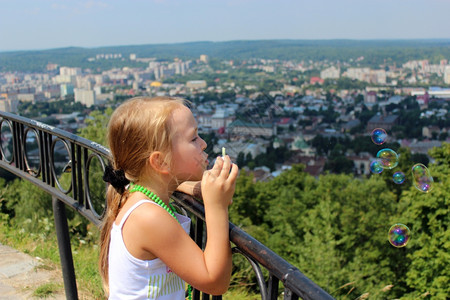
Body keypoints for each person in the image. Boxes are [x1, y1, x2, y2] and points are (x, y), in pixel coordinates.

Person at [99, 96, 238, 299]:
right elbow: (214, 282)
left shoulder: (138, 192)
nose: (204, 144)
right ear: (161, 161)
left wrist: (199, 189)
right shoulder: (149, 217)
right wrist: (217, 206)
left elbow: (169, 182)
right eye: (193, 138)